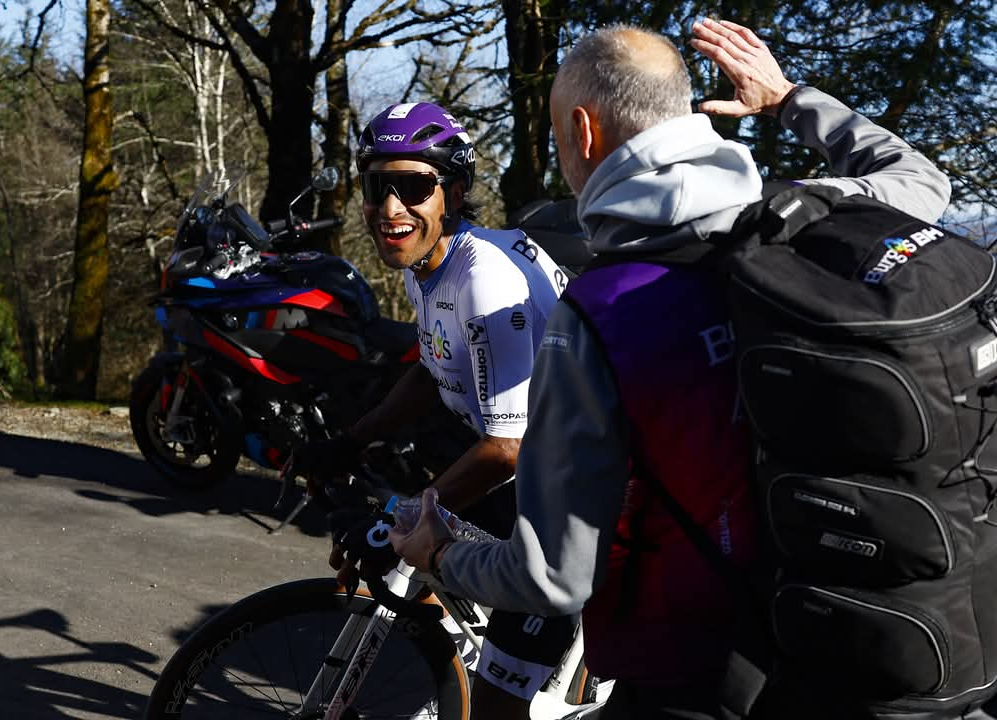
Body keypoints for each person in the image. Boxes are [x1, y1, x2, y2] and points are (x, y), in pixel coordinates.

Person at [391, 18, 952, 719]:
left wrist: (439, 552)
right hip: (872, 642)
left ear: (583, 132)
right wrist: (785, 97)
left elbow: (552, 577)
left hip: (701, 677)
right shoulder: (806, 222)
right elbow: (924, 182)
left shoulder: (600, 314)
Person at [312, 101, 574, 720]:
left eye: (415, 186)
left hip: (573, 489)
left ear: (452, 193)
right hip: (527, 465)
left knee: (495, 709)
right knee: (424, 555)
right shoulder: (427, 263)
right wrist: (352, 440)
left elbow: (509, 447)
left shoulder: (486, 281)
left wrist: (408, 515)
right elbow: (434, 370)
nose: (393, 208)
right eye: (380, 187)